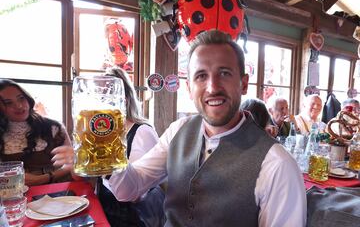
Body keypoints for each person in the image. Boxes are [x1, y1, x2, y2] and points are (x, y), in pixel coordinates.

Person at [60, 30, 306, 226]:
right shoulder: (179, 130)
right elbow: (129, 189)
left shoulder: (276, 163)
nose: (212, 87)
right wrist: (105, 156)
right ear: (189, 88)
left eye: (224, 73)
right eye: (201, 76)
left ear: (243, 84)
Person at [97, 67, 164, 227]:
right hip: (107, 213)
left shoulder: (142, 132)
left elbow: (137, 194)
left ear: (124, 100)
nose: (100, 104)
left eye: (107, 97)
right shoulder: (103, 134)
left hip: (133, 219)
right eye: (99, 97)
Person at [0, 79, 73, 186]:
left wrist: (42, 179)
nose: (19, 106)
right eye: (8, 103)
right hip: (14, 196)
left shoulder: (53, 127)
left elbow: (72, 164)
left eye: (21, 98)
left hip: (57, 192)